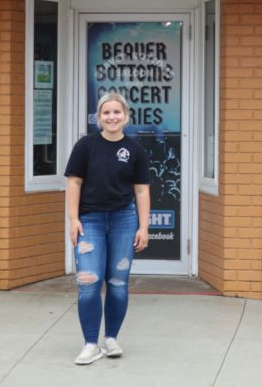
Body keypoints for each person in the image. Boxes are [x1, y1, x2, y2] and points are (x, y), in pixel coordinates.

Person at [64, 92, 150, 365]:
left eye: (117, 112)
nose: (112, 117)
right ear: (98, 117)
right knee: (88, 283)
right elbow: (74, 183)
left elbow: (142, 190)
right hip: (90, 221)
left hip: (124, 220)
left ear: (126, 116)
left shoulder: (135, 150)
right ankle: (91, 344)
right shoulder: (86, 146)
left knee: (117, 283)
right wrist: (73, 219)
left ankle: (111, 338)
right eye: (106, 113)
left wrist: (143, 226)